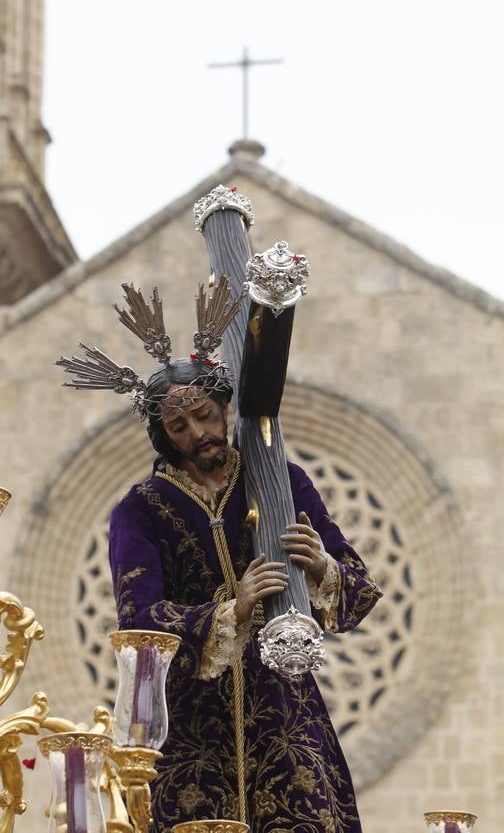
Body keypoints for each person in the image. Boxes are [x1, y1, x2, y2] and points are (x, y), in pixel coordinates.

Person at [108, 357, 383, 833]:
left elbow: (359, 588)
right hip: (191, 731)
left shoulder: (282, 481)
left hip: (285, 715)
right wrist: (232, 608)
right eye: (179, 425)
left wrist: (321, 564)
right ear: (164, 436)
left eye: (206, 415)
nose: (198, 432)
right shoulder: (140, 511)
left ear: (224, 410)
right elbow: (139, 624)